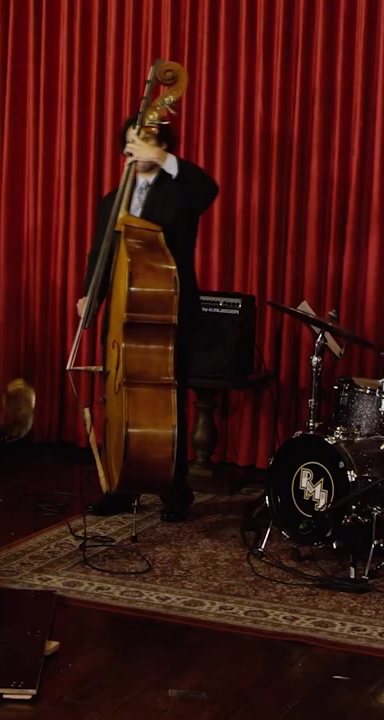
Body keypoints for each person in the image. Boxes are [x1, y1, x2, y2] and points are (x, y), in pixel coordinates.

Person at [76, 116, 219, 522]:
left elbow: (209, 189)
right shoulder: (112, 199)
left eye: (144, 142)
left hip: (165, 310)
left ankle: (175, 487)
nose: (135, 149)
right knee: (116, 398)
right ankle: (120, 483)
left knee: (166, 401)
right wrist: (91, 296)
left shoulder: (181, 191)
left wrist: (165, 160)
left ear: (161, 147)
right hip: (122, 313)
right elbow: (101, 253)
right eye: (131, 142)